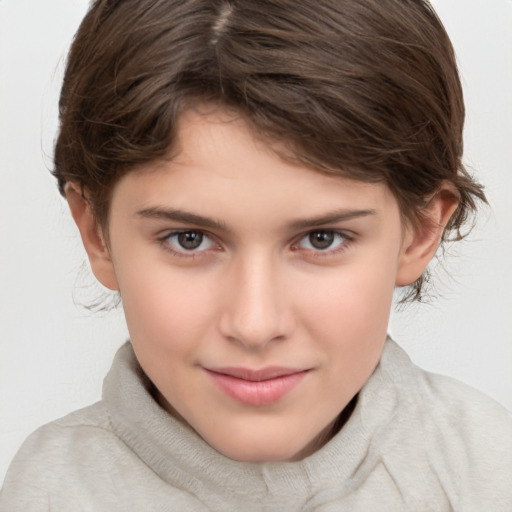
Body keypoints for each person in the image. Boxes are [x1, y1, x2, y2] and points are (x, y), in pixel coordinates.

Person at [1, 0, 511, 510]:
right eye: (189, 239)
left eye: (321, 239)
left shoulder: (488, 473)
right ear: (97, 233)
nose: (254, 324)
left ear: (420, 231)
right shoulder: (50, 491)